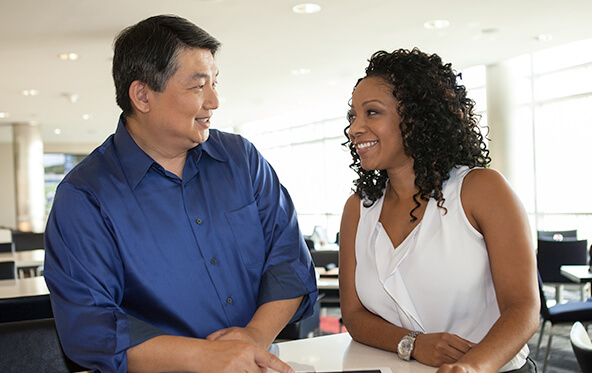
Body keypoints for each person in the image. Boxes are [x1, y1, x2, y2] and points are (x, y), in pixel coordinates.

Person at [44, 15, 317, 372]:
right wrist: (207, 357)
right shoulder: (84, 196)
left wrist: (253, 337)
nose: (214, 101)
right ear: (142, 95)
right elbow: (90, 326)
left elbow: (289, 261)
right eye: (197, 86)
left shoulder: (241, 160)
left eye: (215, 83)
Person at [339, 48, 539, 373]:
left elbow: (523, 307)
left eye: (371, 112)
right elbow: (354, 315)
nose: (354, 128)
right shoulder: (358, 209)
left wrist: (471, 367)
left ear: (416, 117)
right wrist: (413, 343)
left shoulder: (481, 189)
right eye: (352, 116)